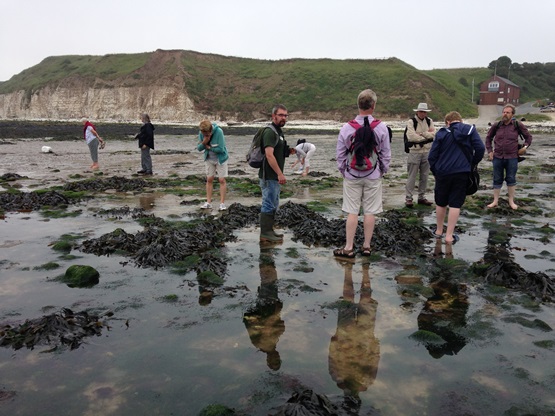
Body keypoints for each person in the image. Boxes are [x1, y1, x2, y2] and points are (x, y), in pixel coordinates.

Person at [333, 89, 391, 258]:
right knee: (369, 212)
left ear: (358, 105)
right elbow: (385, 154)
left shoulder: (346, 128)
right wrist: (382, 171)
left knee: (352, 211)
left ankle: (349, 247)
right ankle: (366, 246)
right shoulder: (381, 127)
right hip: (373, 174)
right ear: (373, 106)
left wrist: (344, 171)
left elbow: (340, 154)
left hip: (352, 174)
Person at [428, 111, 485, 244]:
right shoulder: (470, 130)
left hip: (443, 172)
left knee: (441, 202)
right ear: (461, 120)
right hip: (462, 172)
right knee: (455, 204)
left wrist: (435, 171)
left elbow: (432, 156)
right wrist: (472, 164)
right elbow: (480, 148)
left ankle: (439, 231)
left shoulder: (441, 133)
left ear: (447, 122)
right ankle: (449, 236)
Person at [485, 104, 532, 210]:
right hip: (497, 157)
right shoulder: (496, 125)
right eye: (504, 112)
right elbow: (488, 138)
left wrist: (525, 147)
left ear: (512, 114)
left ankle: (511, 201)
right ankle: (495, 201)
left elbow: (528, 137)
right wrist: (489, 151)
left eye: (508, 112)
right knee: (497, 179)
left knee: (511, 179)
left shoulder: (517, 125)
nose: (505, 114)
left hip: (512, 157)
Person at [259, 104, 291, 242]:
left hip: (274, 177)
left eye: (285, 115)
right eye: (281, 115)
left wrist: (290, 151)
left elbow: (278, 152)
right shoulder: (270, 132)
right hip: (269, 176)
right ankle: (265, 234)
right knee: (268, 203)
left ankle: (269, 231)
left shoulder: (278, 132)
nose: (284, 118)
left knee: (273, 203)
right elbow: (269, 155)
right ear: (273, 116)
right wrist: (279, 174)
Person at [405, 102, 436, 207]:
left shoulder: (429, 121)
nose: (423, 113)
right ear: (417, 111)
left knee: (425, 176)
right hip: (414, 152)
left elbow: (434, 135)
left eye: (424, 112)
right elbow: (411, 137)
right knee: (412, 176)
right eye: (421, 111)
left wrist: (423, 134)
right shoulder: (411, 122)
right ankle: (409, 198)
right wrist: (427, 136)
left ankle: (421, 197)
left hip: (426, 152)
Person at [197, 119, 229, 211]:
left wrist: (209, 147)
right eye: (203, 134)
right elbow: (199, 148)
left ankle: (222, 203)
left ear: (210, 131)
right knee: (209, 179)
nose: (205, 135)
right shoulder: (201, 133)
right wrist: (204, 142)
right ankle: (208, 202)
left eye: (206, 134)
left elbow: (221, 149)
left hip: (221, 159)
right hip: (209, 159)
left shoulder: (219, 132)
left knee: (221, 180)